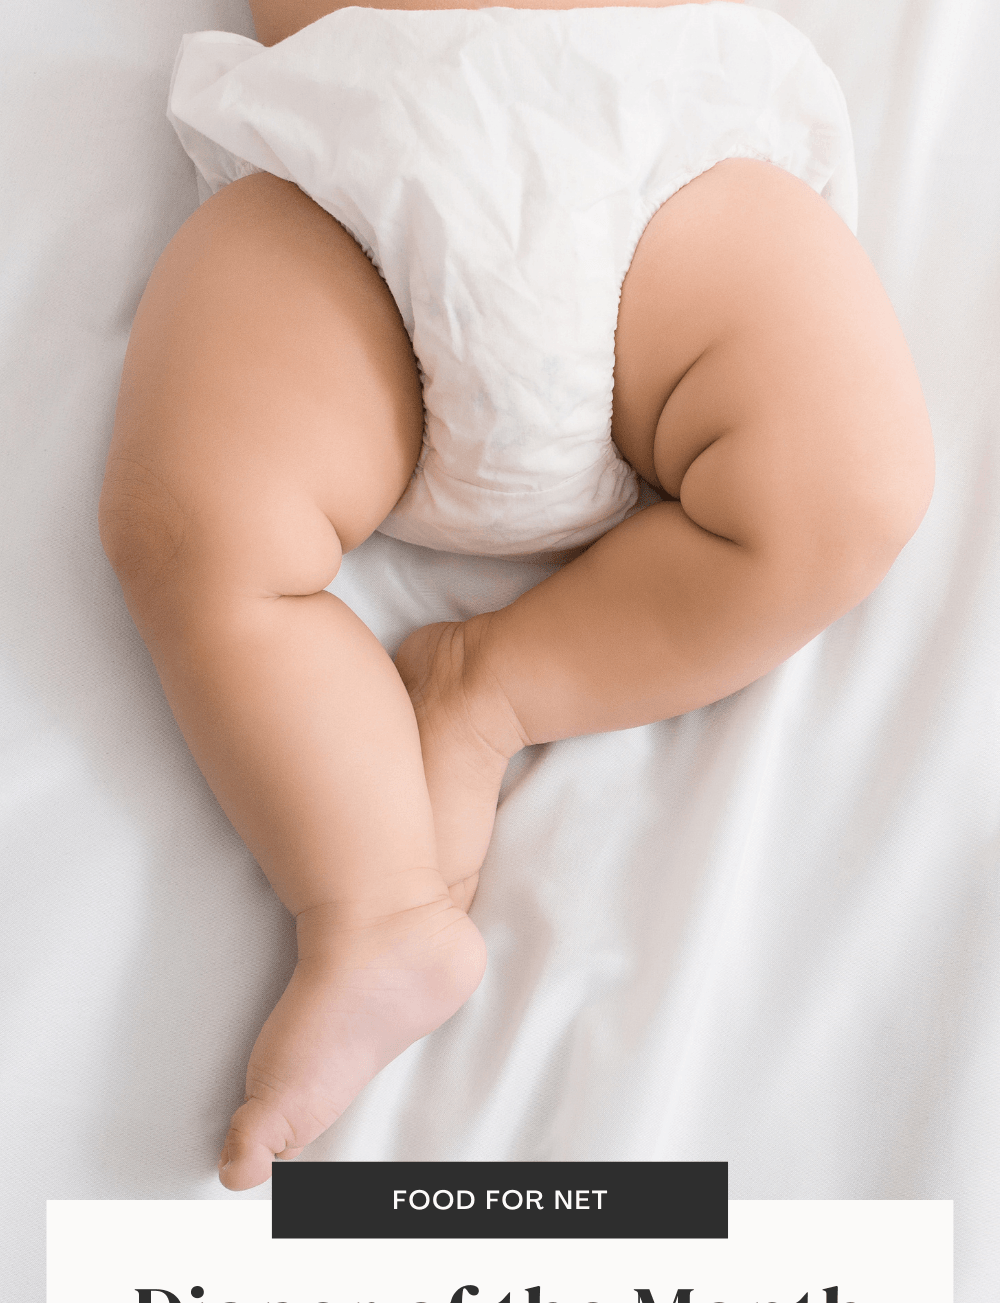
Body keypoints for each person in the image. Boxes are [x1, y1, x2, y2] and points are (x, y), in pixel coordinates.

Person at [99, 0, 934, 1190]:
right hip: (350, 166)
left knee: (848, 488)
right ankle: (374, 906)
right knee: (189, 526)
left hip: (658, 145)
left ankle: (491, 685)